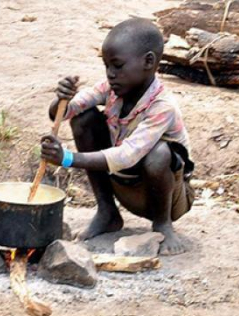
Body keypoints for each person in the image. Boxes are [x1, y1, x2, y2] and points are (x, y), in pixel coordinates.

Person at [40, 18, 194, 255]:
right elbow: (68, 111)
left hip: (167, 197)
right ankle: (107, 212)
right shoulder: (111, 89)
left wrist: (68, 158)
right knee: (84, 119)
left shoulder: (163, 107)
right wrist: (61, 99)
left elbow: (126, 155)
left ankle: (163, 225)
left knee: (159, 153)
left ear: (148, 62)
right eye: (107, 66)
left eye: (118, 65)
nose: (111, 74)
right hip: (123, 183)